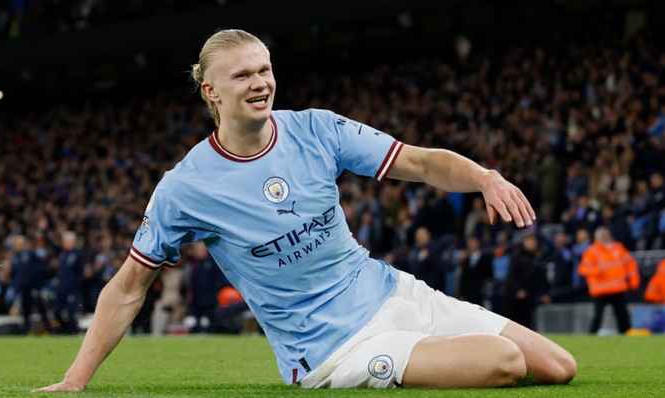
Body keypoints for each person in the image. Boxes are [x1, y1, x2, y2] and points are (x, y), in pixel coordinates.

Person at [34, 29, 576, 392]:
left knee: (558, 367)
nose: (260, 82)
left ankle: (423, 351)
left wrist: (484, 177)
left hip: (393, 292)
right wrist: (76, 378)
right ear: (211, 91)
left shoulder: (315, 128)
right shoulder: (187, 187)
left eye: (265, 69)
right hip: (333, 348)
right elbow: (130, 286)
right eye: (243, 75)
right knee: (504, 362)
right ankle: (411, 358)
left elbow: (421, 162)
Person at [578, 227, 640, 334]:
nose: (607, 237)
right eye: (604, 235)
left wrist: (634, 280)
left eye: (608, 234)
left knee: (622, 314)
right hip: (600, 290)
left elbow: (630, 264)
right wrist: (596, 271)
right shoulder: (592, 251)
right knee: (598, 316)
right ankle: (591, 335)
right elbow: (583, 269)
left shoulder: (618, 248)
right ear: (598, 237)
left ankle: (627, 334)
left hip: (617, 288)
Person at [504, 234, 551, 329]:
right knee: (513, 321)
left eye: (533, 241)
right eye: (529, 241)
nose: (532, 244)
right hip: (513, 296)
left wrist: (543, 293)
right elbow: (511, 275)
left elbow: (540, 278)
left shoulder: (536, 258)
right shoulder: (517, 255)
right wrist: (517, 290)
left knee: (527, 323)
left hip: (528, 295)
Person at [8, 235, 50, 334]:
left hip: (33, 287)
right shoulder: (15, 257)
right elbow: (14, 273)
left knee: (39, 307)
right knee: (26, 309)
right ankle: (26, 329)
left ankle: (47, 327)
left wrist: (37, 283)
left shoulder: (30, 254)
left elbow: (41, 267)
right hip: (23, 289)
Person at [52, 231, 85, 334]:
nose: (64, 243)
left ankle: (73, 333)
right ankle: (63, 330)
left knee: (72, 314)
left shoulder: (77, 255)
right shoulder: (62, 255)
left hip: (72, 290)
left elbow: (80, 273)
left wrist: (75, 286)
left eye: (66, 241)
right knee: (57, 312)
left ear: (72, 242)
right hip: (61, 290)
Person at [458, 237, 493, 306]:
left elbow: (489, 275)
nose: (471, 245)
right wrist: (462, 294)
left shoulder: (485, 259)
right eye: (470, 243)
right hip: (468, 294)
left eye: (473, 243)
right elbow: (463, 278)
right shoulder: (466, 260)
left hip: (481, 294)